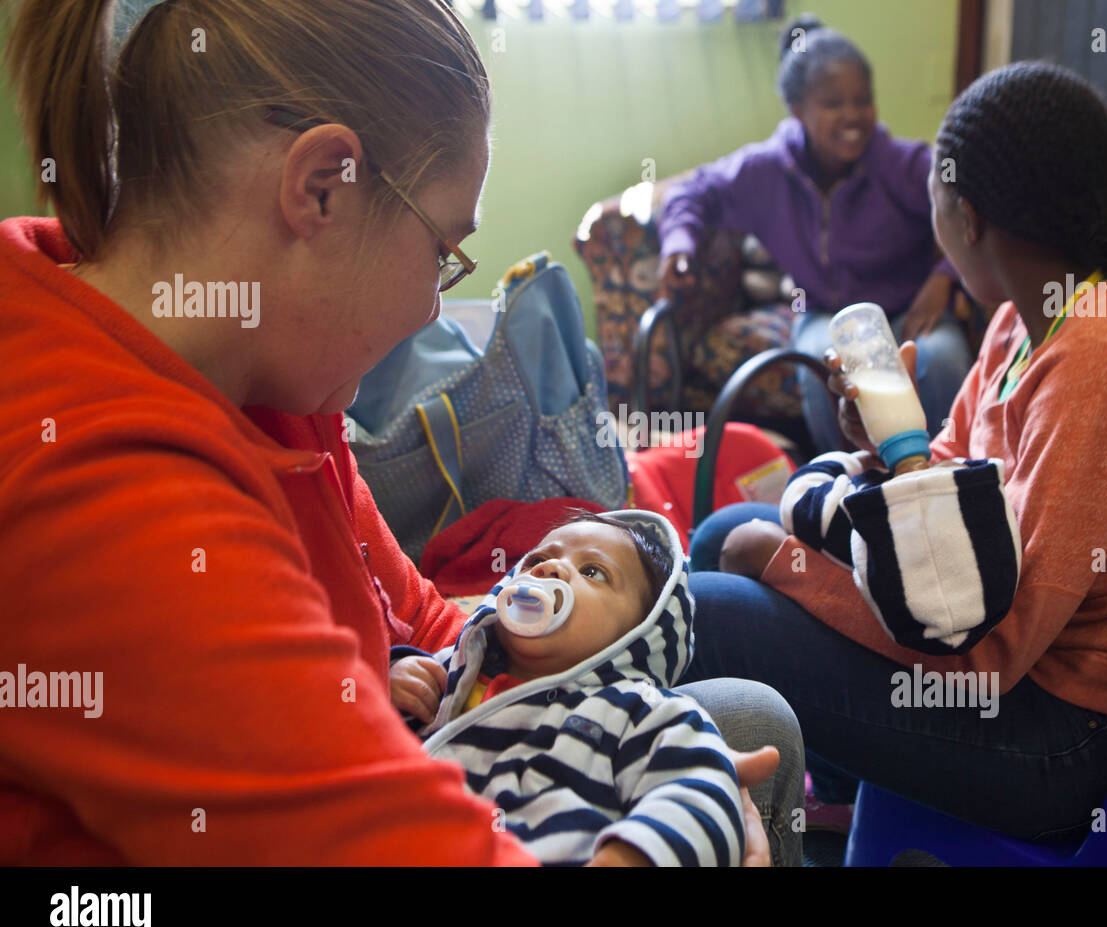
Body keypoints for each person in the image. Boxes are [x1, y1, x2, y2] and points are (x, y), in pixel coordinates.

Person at [0, 0, 804, 867]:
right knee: (741, 752)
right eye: (442, 253)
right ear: (321, 188)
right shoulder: (113, 503)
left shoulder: (265, 383)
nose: (433, 303)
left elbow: (423, 617)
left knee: (748, 721)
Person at [680, 61, 1107, 842]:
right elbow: (954, 492)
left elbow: (991, 650)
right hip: (1033, 666)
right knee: (729, 534)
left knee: (709, 615)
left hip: (1074, 739)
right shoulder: (1024, 320)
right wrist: (883, 447)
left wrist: (785, 564)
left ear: (965, 219)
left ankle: (773, 802)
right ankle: (846, 785)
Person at [657, 13, 975, 450]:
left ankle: (947, 470)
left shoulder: (900, 164)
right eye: (833, 104)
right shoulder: (765, 171)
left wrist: (943, 278)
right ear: (798, 109)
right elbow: (692, 192)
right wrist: (679, 246)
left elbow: (967, 203)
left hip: (906, 308)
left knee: (940, 359)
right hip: (825, 311)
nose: (852, 116)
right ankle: (846, 481)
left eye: (862, 101)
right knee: (827, 363)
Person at [392, 510, 745, 866]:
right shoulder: (449, 676)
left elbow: (700, 789)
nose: (549, 569)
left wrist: (631, 855)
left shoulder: (641, 710)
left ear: (643, 632)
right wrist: (391, 686)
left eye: (592, 571)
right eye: (537, 560)